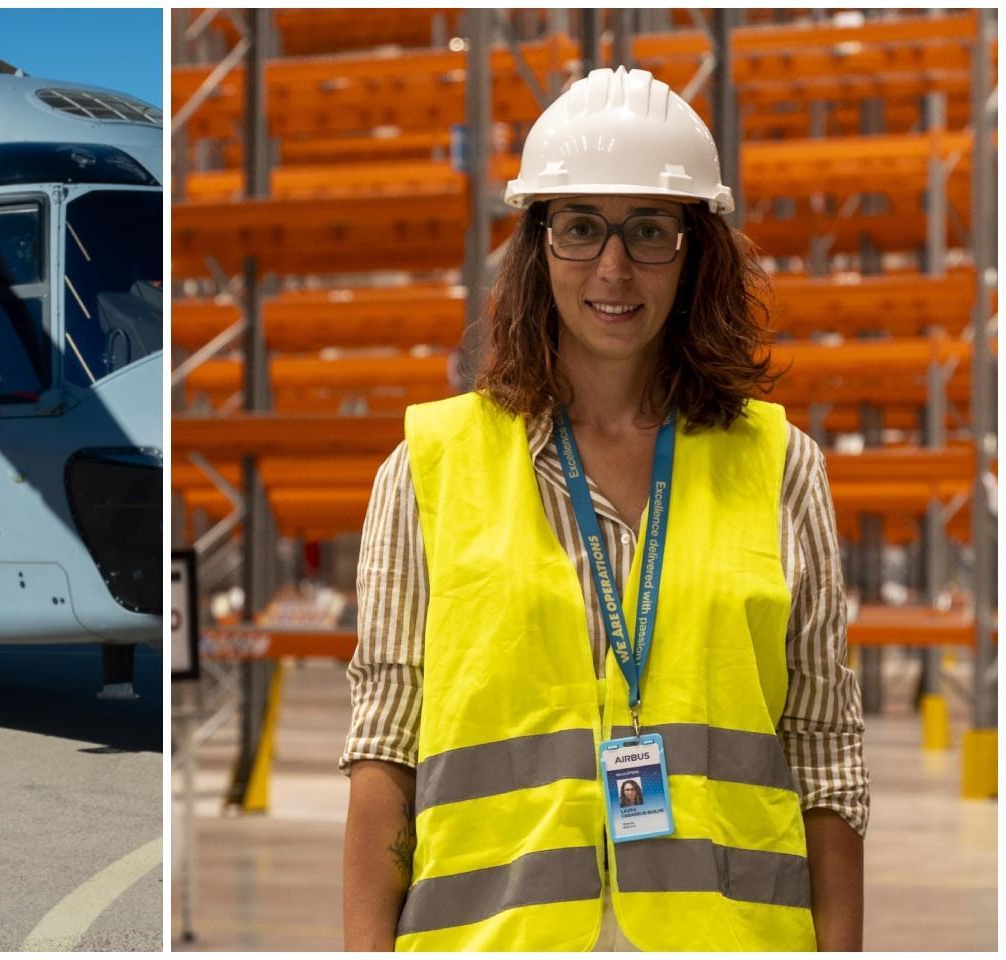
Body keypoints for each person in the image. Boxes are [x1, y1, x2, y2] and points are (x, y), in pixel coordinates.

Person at [340, 68, 867, 952]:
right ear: (537, 245)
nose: (613, 267)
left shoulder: (782, 468)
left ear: (695, 249)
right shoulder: (426, 469)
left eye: (650, 231)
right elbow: (386, 746)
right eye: (580, 227)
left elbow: (825, 754)